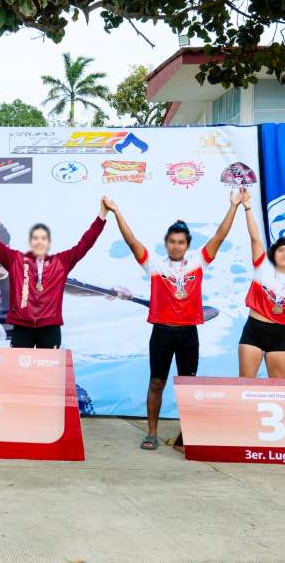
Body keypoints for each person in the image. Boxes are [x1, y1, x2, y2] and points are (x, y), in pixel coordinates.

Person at [103, 191, 244, 450]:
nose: (176, 246)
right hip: (162, 333)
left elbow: (219, 236)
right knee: (157, 382)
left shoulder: (198, 263)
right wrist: (116, 212)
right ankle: (152, 433)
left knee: (188, 387)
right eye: (172, 242)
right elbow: (131, 241)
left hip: (188, 333)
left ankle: (187, 436)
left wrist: (234, 206)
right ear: (166, 244)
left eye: (181, 242)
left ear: (187, 244)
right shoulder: (155, 265)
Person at [0, 196, 108, 349]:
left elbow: (85, 243)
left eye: (43, 238)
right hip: (22, 328)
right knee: (19, 364)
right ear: (31, 242)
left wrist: (102, 216)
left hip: (50, 329)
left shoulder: (61, 261)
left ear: (48, 243)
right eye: (35, 238)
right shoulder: (16, 260)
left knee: (49, 365)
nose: (39, 241)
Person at [238, 189, 285, 378]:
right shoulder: (262, 268)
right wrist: (247, 207)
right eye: (281, 249)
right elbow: (255, 238)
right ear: (274, 254)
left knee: (279, 388)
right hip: (254, 330)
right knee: (245, 385)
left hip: (279, 336)